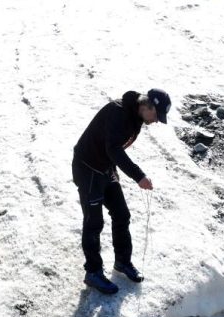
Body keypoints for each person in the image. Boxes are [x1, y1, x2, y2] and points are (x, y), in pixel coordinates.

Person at [72, 88, 171, 294]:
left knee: (122, 215)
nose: (156, 121)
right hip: (88, 168)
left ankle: (122, 262)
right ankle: (93, 272)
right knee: (94, 222)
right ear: (147, 106)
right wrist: (139, 176)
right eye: (156, 115)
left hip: (106, 168)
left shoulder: (136, 116)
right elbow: (114, 149)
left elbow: (113, 150)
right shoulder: (118, 113)